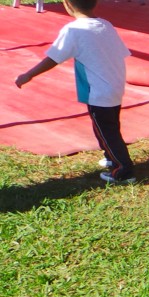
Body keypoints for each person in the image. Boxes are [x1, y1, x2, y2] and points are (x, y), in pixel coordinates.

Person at [14, 0, 136, 184]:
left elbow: (54, 57)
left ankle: (123, 170)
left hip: (99, 92)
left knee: (107, 131)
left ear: (67, 4)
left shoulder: (74, 30)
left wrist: (28, 75)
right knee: (106, 127)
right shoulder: (106, 25)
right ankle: (111, 157)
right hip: (114, 86)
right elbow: (120, 53)